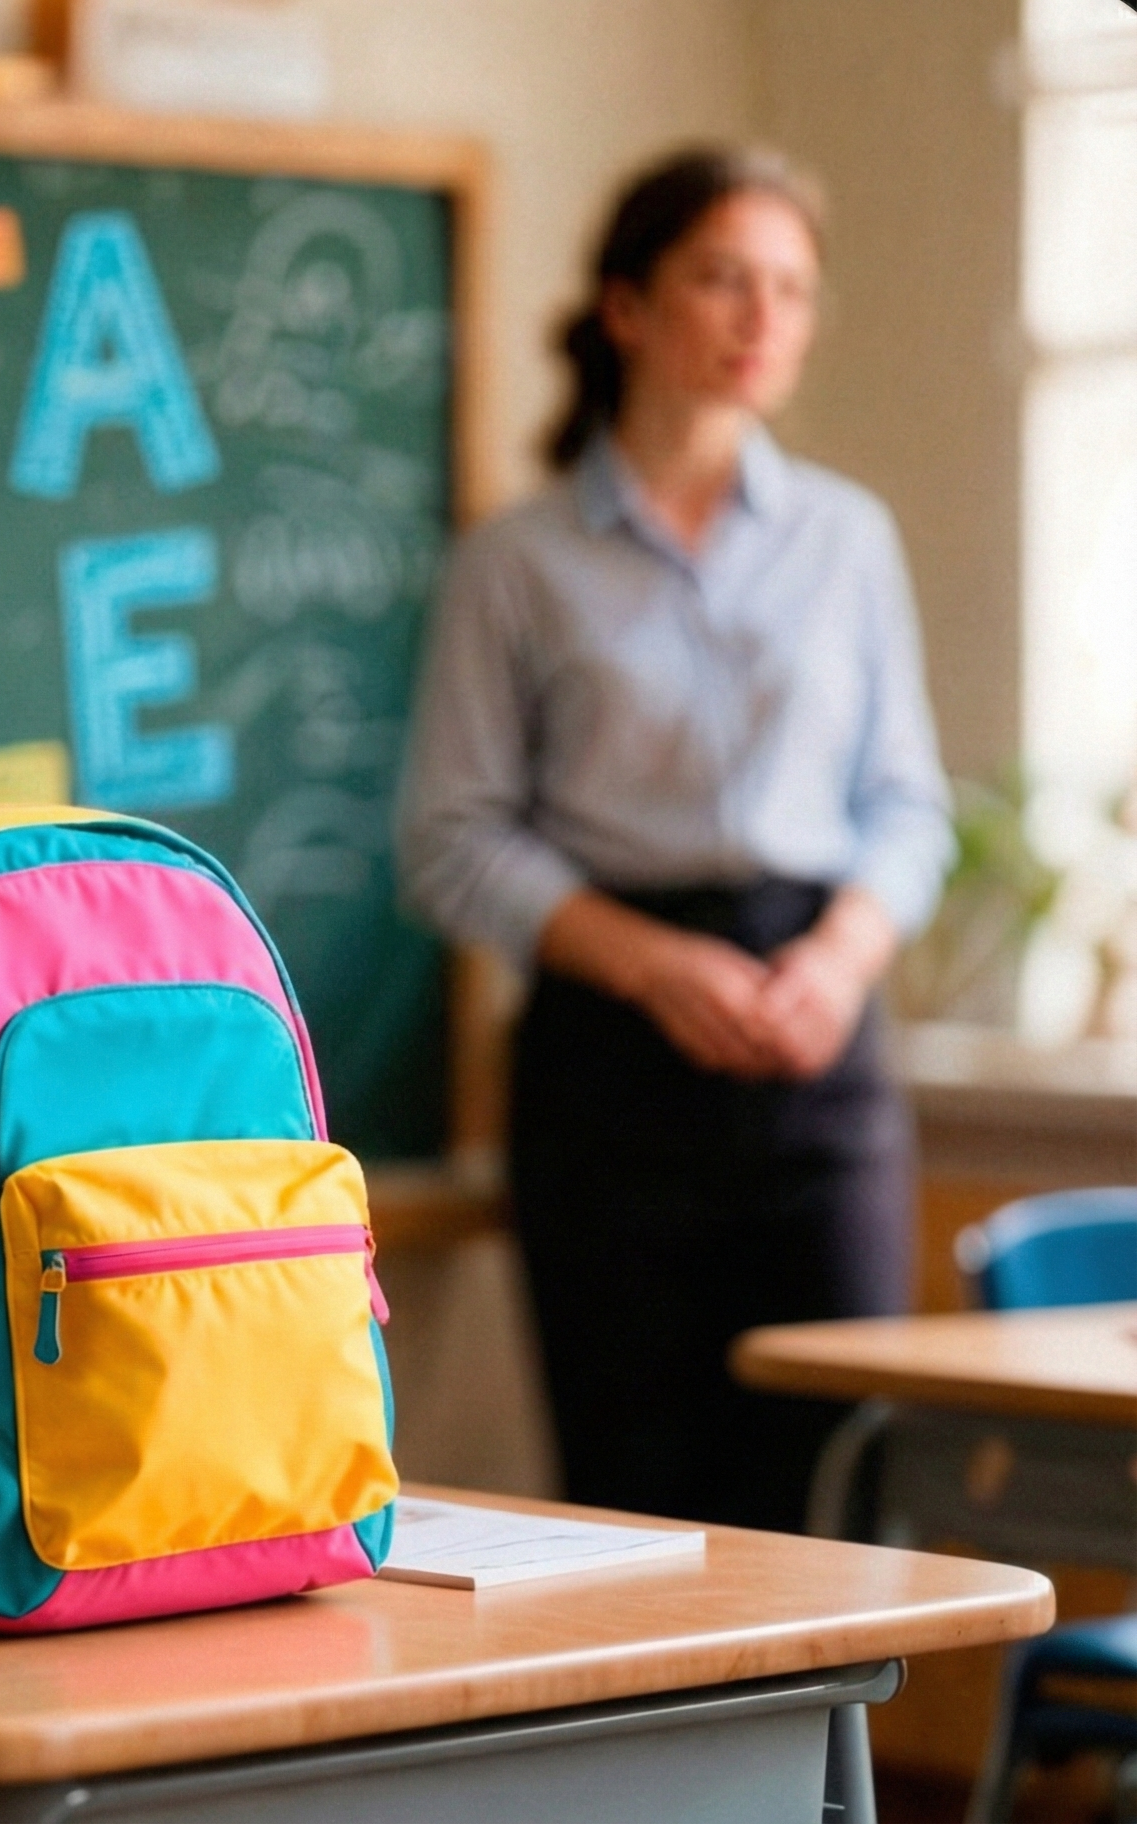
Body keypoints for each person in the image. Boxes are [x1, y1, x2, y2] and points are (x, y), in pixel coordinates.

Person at [396, 146, 954, 1532]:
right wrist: (656, 969)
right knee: (637, 1502)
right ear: (628, 308)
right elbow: (451, 835)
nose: (763, 318)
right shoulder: (516, 562)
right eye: (722, 279)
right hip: (611, 1065)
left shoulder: (847, 539)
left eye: (792, 289)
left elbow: (907, 808)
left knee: (845, 1490)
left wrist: (837, 963)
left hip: (818, 1048)